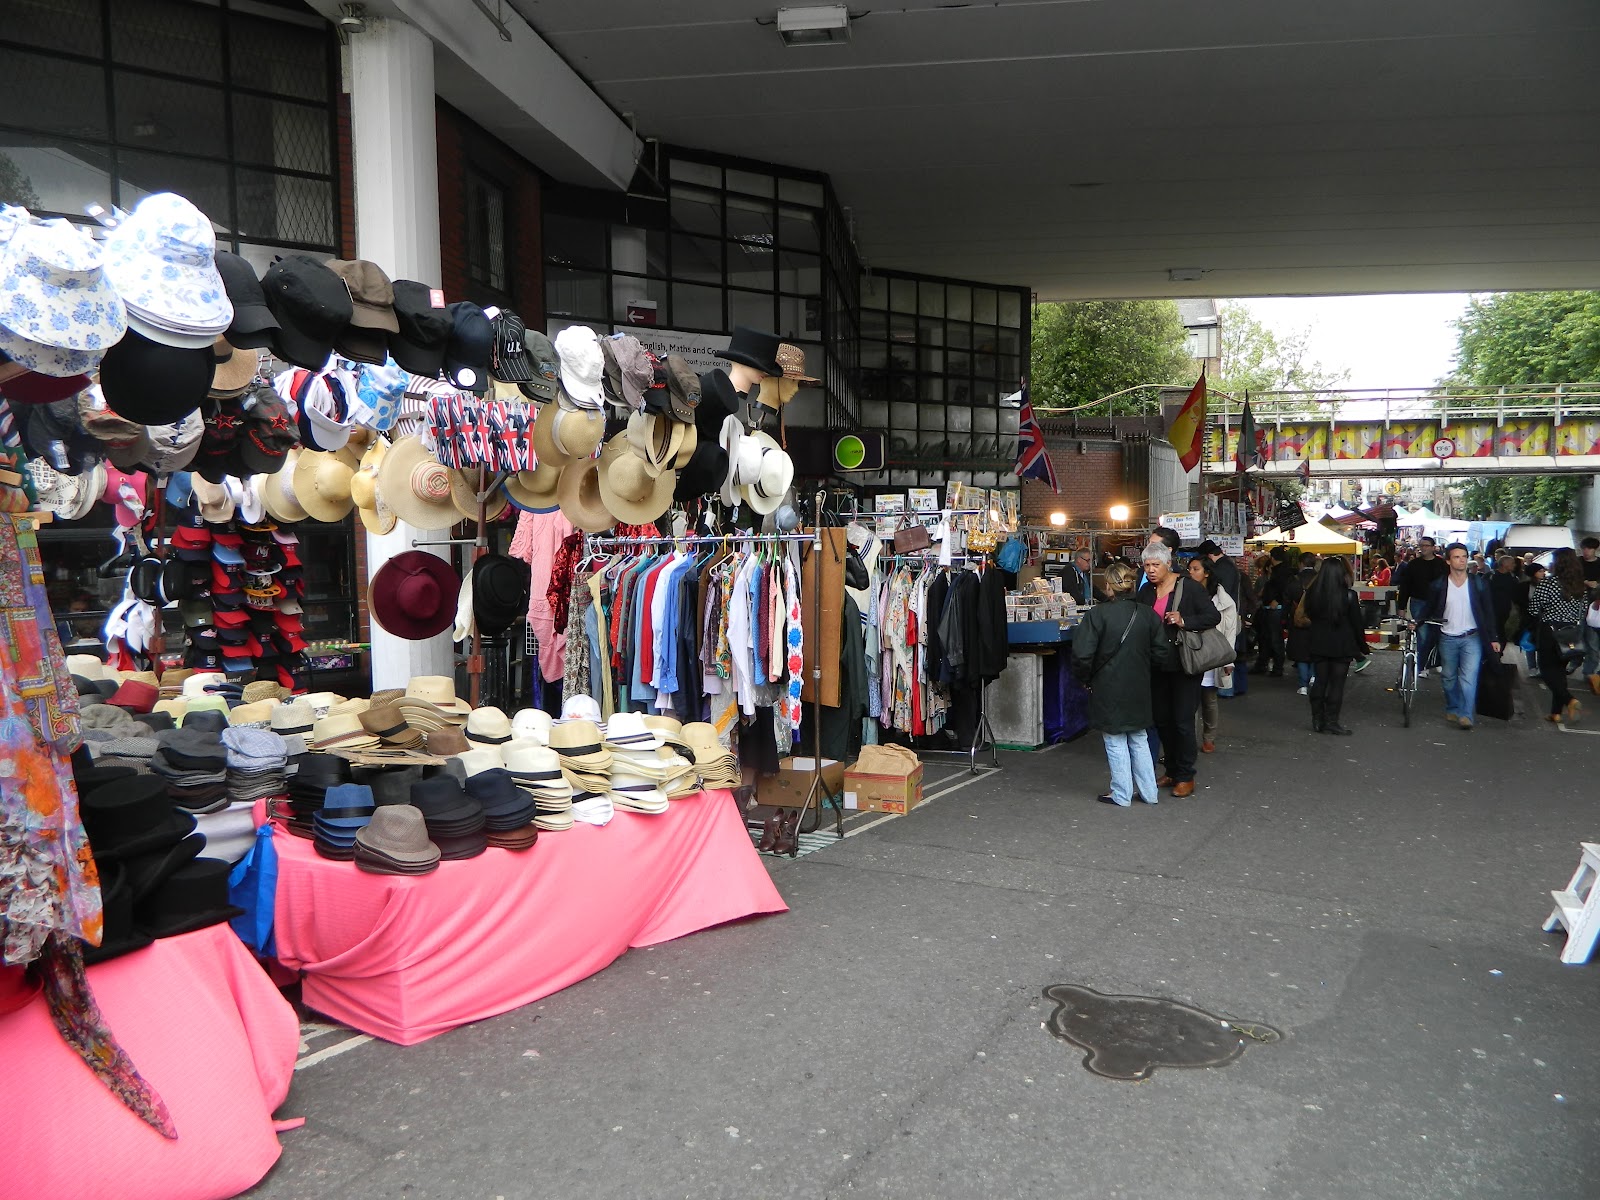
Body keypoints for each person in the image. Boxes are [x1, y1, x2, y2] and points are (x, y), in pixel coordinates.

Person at [1073, 561, 1173, 806]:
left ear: (1109, 586)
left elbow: (1082, 655)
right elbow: (1162, 654)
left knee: (1114, 738)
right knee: (1138, 737)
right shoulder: (1148, 615)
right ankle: (1149, 793)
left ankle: (1121, 793)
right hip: (1139, 684)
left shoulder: (1097, 615)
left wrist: (1085, 678)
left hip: (1107, 684)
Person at [1137, 543, 1220, 798]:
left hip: (1183, 663)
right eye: (1147, 566)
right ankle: (1171, 769)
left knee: (1182, 721)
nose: (1150, 570)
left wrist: (1184, 621)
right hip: (1156, 664)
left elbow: (1212, 616)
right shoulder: (1146, 592)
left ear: (1168, 564)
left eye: (1155, 565)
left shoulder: (1189, 587)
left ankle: (1185, 774)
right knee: (1161, 719)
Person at [1416, 542, 1500, 730]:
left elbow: (1488, 612)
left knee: (1469, 677)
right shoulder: (1439, 585)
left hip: (1473, 637)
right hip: (1447, 637)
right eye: (1457, 557)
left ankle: (1466, 714)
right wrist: (1418, 621)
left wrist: (1493, 637)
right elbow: (1428, 608)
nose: (1462, 560)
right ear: (1448, 561)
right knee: (1448, 677)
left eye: (1464, 556)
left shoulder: (1478, 583)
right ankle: (1453, 706)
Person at [1303, 558, 1369, 734]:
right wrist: (1362, 647)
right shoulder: (1349, 595)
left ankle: (1317, 719)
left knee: (1320, 680)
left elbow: (1309, 615)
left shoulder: (1312, 594)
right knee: (1337, 684)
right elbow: (1357, 624)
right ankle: (1332, 720)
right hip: (1342, 644)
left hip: (1318, 642)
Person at [1529, 548, 1588, 724]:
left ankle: (1570, 700)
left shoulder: (1548, 583)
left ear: (1558, 563)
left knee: (1546, 670)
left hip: (1550, 630)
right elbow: (1583, 611)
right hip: (1571, 632)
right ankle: (1555, 713)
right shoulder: (1580, 586)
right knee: (1560, 671)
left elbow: (1533, 609)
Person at [1187, 555, 1238, 753]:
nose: (1191, 572)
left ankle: (1209, 737)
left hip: (1213, 653)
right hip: (1191, 651)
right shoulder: (1185, 594)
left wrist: (1229, 659)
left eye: (1195, 569)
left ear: (1207, 572)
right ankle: (1188, 739)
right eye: (1190, 569)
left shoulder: (1224, 600)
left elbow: (1230, 631)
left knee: (1209, 699)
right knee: (1188, 700)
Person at [1396, 537, 1449, 675]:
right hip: (1419, 601)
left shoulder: (1442, 565)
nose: (1424, 548)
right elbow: (1405, 586)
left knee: (1438, 632)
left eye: (1426, 545)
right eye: (1421, 545)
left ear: (1433, 547)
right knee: (1423, 633)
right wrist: (1401, 606)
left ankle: (1436, 660)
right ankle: (1423, 665)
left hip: (1439, 604)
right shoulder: (1413, 565)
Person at [1254, 547, 1295, 677]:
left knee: (1273, 638)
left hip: (1275, 609)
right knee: (1270, 637)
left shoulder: (1281, 572)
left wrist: (1277, 600)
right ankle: (1269, 664)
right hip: (1273, 608)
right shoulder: (1283, 570)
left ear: (1273, 557)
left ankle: (1276, 667)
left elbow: (1283, 588)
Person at [1285, 554, 1318, 696]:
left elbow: (1286, 601)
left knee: (1301, 654)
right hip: (1317, 620)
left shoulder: (1294, 580)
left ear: (1301, 563)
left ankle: (1303, 684)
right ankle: (1314, 676)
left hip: (1298, 621)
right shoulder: (1320, 579)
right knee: (1315, 650)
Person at [1487, 553, 1520, 645]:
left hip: (1506, 611)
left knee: (1503, 634)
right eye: (1512, 563)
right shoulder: (1491, 576)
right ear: (1505, 565)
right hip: (1491, 611)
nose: (1514, 565)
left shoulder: (1513, 578)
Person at [1581, 537, 1600, 692]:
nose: (1586, 552)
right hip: (1578, 605)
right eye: (1584, 548)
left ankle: (1588, 672)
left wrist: (1597, 585)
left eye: (1589, 549)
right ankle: (1575, 660)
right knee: (1576, 637)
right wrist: (1586, 582)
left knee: (1592, 642)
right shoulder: (1577, 562)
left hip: (1594, 608)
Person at [1197, 540, 1240, 607]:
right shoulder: (1227, 564)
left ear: (1209, 556)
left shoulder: (1223, 567)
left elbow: (1223, 592)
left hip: (1225, 609)